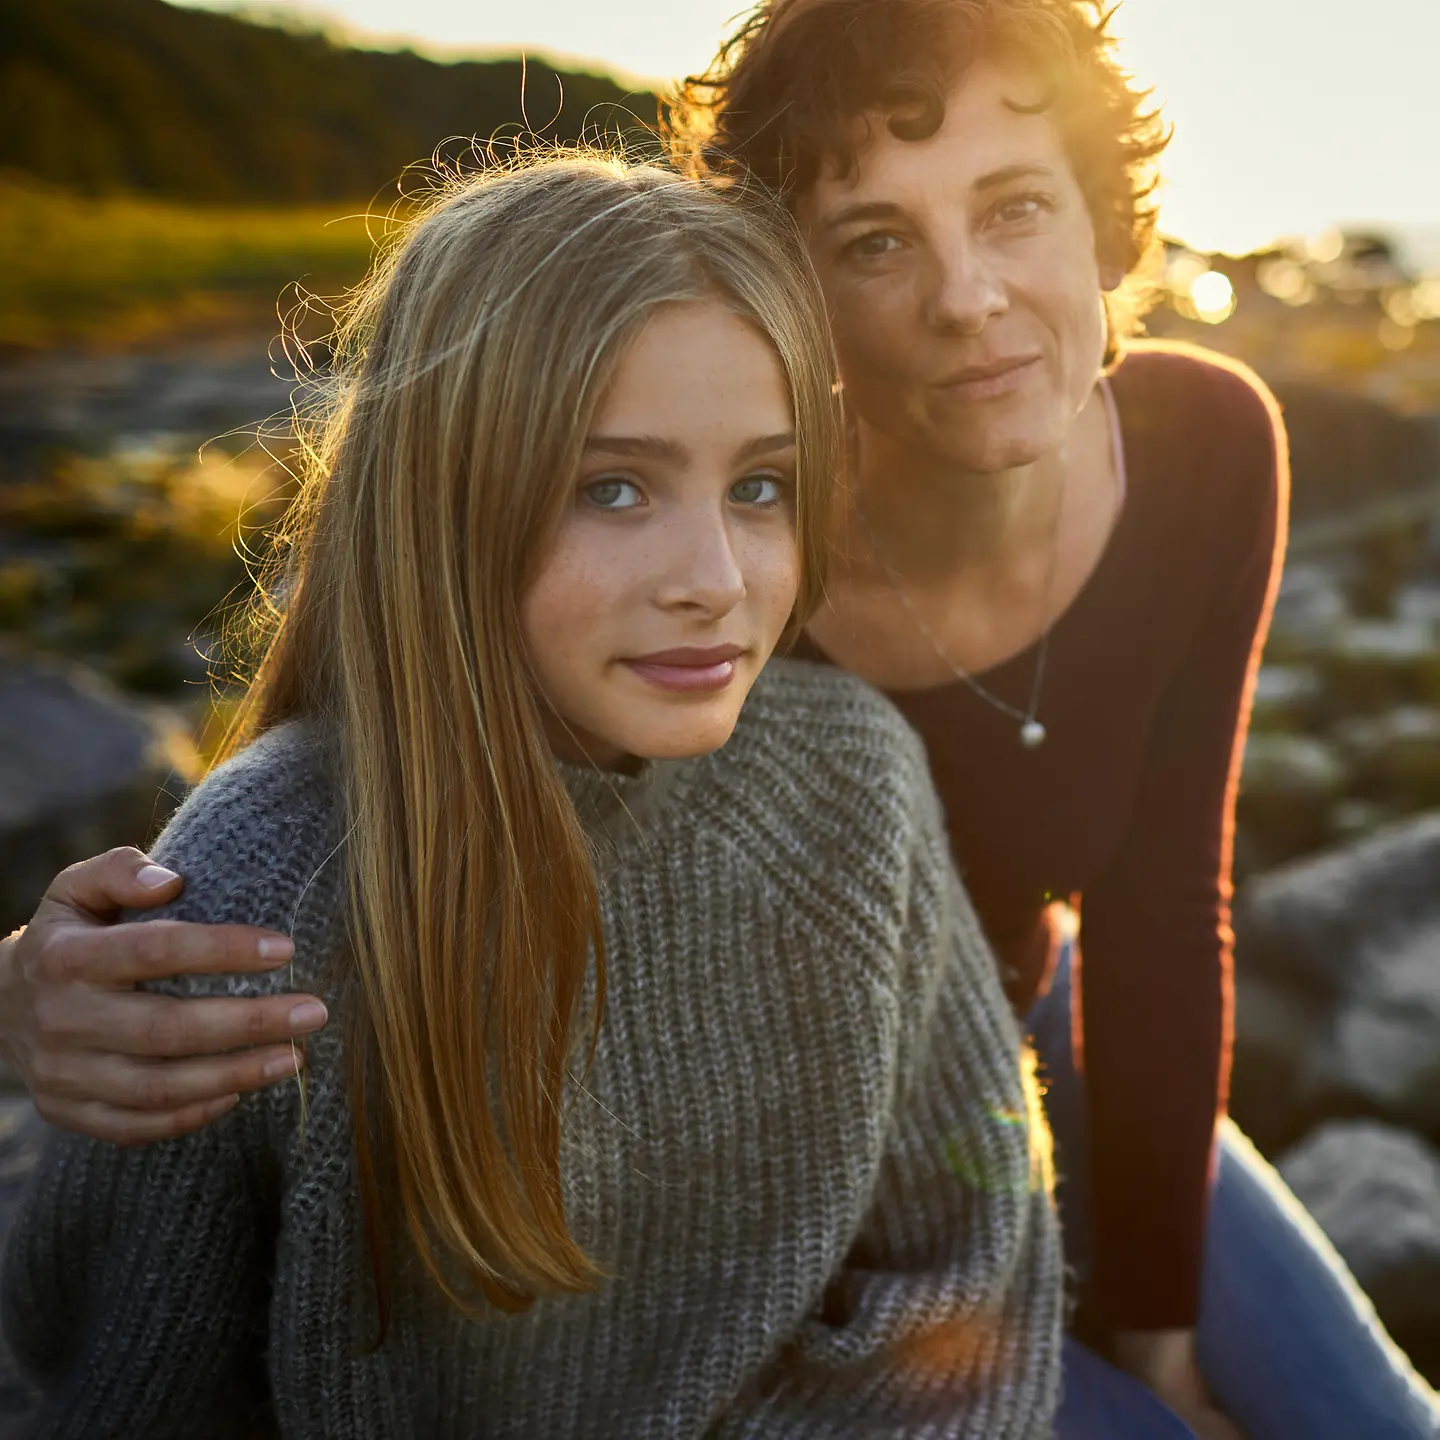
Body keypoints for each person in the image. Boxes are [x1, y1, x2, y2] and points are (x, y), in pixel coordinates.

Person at [3, 2, 1439, 1436]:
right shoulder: (725, 566)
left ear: (1105, 221)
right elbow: (419, 699)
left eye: (1013, 207)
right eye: (876, 238)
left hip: (991, 1019)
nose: (966, 298)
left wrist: (1160, 1322)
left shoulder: (1195, 455)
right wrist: (36, 985)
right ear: (797, 293)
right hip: (790, 1072)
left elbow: (1165, 907)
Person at [0, 154, 1064, 1438]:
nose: (715, 576)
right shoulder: (265, 893)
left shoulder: (851, 776)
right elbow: (128, 1391)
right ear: (451, 499)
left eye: (759, 486)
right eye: (611, 487)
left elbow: (975, 1248)